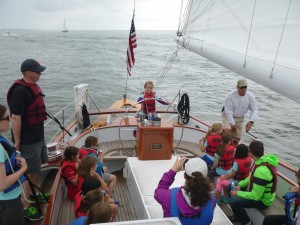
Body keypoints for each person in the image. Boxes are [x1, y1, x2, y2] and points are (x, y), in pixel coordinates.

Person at [7, 59, 48, 221]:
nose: (40, 74)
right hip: (27, 140)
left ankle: (35, 195)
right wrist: (17, 142)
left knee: (36, 170)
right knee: (29, 172)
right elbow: (15, 118)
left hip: (38, 136)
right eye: (37, 71)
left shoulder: (33, 88)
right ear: (27, 72)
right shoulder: (20, 91)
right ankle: (25, 207)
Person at [229, 140, 279, 225]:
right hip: (257, 193)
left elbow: (256, 196)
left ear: (251, 153)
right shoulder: (261, 161)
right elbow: (251, 177)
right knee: (231, 185)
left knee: (232, 200)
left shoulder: (262, 171)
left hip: (263, 201)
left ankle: (247, 222)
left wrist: (238, 193)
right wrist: (240, 185)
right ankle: (238, 215)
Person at [154, 157, 216, 225]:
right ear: (205, 177)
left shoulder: (169, 197)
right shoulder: (212, 201)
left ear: (185, 176)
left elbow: (159, 191)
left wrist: (173, 171)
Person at [0, 104, 28, 225]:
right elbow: (3, 184)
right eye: (6, 117)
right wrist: (23, 169)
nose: (10, 120)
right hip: (7, 202)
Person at [222, 79, 258, 144]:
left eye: (245, 87)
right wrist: (232, 123)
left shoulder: (250, 96)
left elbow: (254, 109)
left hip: (240, 118)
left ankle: (231, 150)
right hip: (227, 116)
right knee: (227, 133)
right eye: (241, 87)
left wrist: (251, 121)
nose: (244, 89)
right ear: (237, 87)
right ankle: (222, 145)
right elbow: (228, 111)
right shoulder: (230, 96)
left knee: (237, 140)